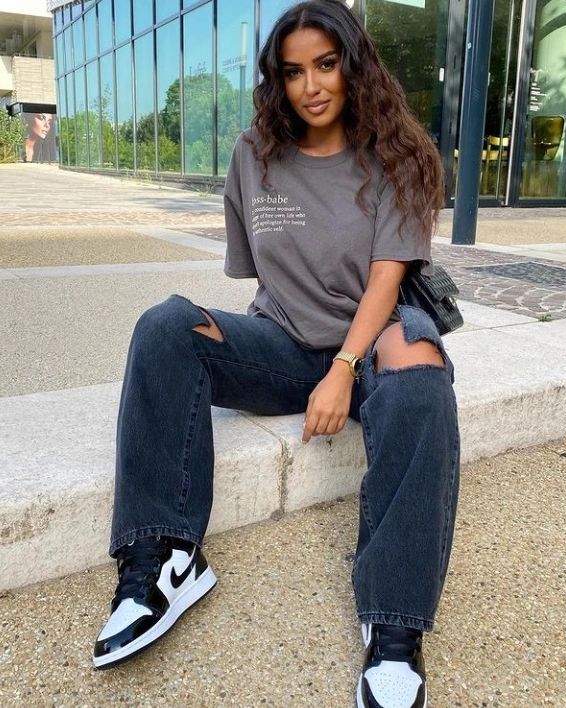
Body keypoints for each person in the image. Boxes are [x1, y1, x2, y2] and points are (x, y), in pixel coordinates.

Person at [93, 2, 460, 706]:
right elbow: (262, 276)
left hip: (371, 345)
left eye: (326, 65)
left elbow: (386, 280)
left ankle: (394, 625)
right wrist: (301, 351)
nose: (311, 86)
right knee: (166, 326)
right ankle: (164, 558)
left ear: (354, 66)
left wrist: (343, 369)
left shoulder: (400, 155)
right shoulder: (253, 154)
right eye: (293, 72)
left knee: (419, 365)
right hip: (285, 346)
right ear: (276, 80)